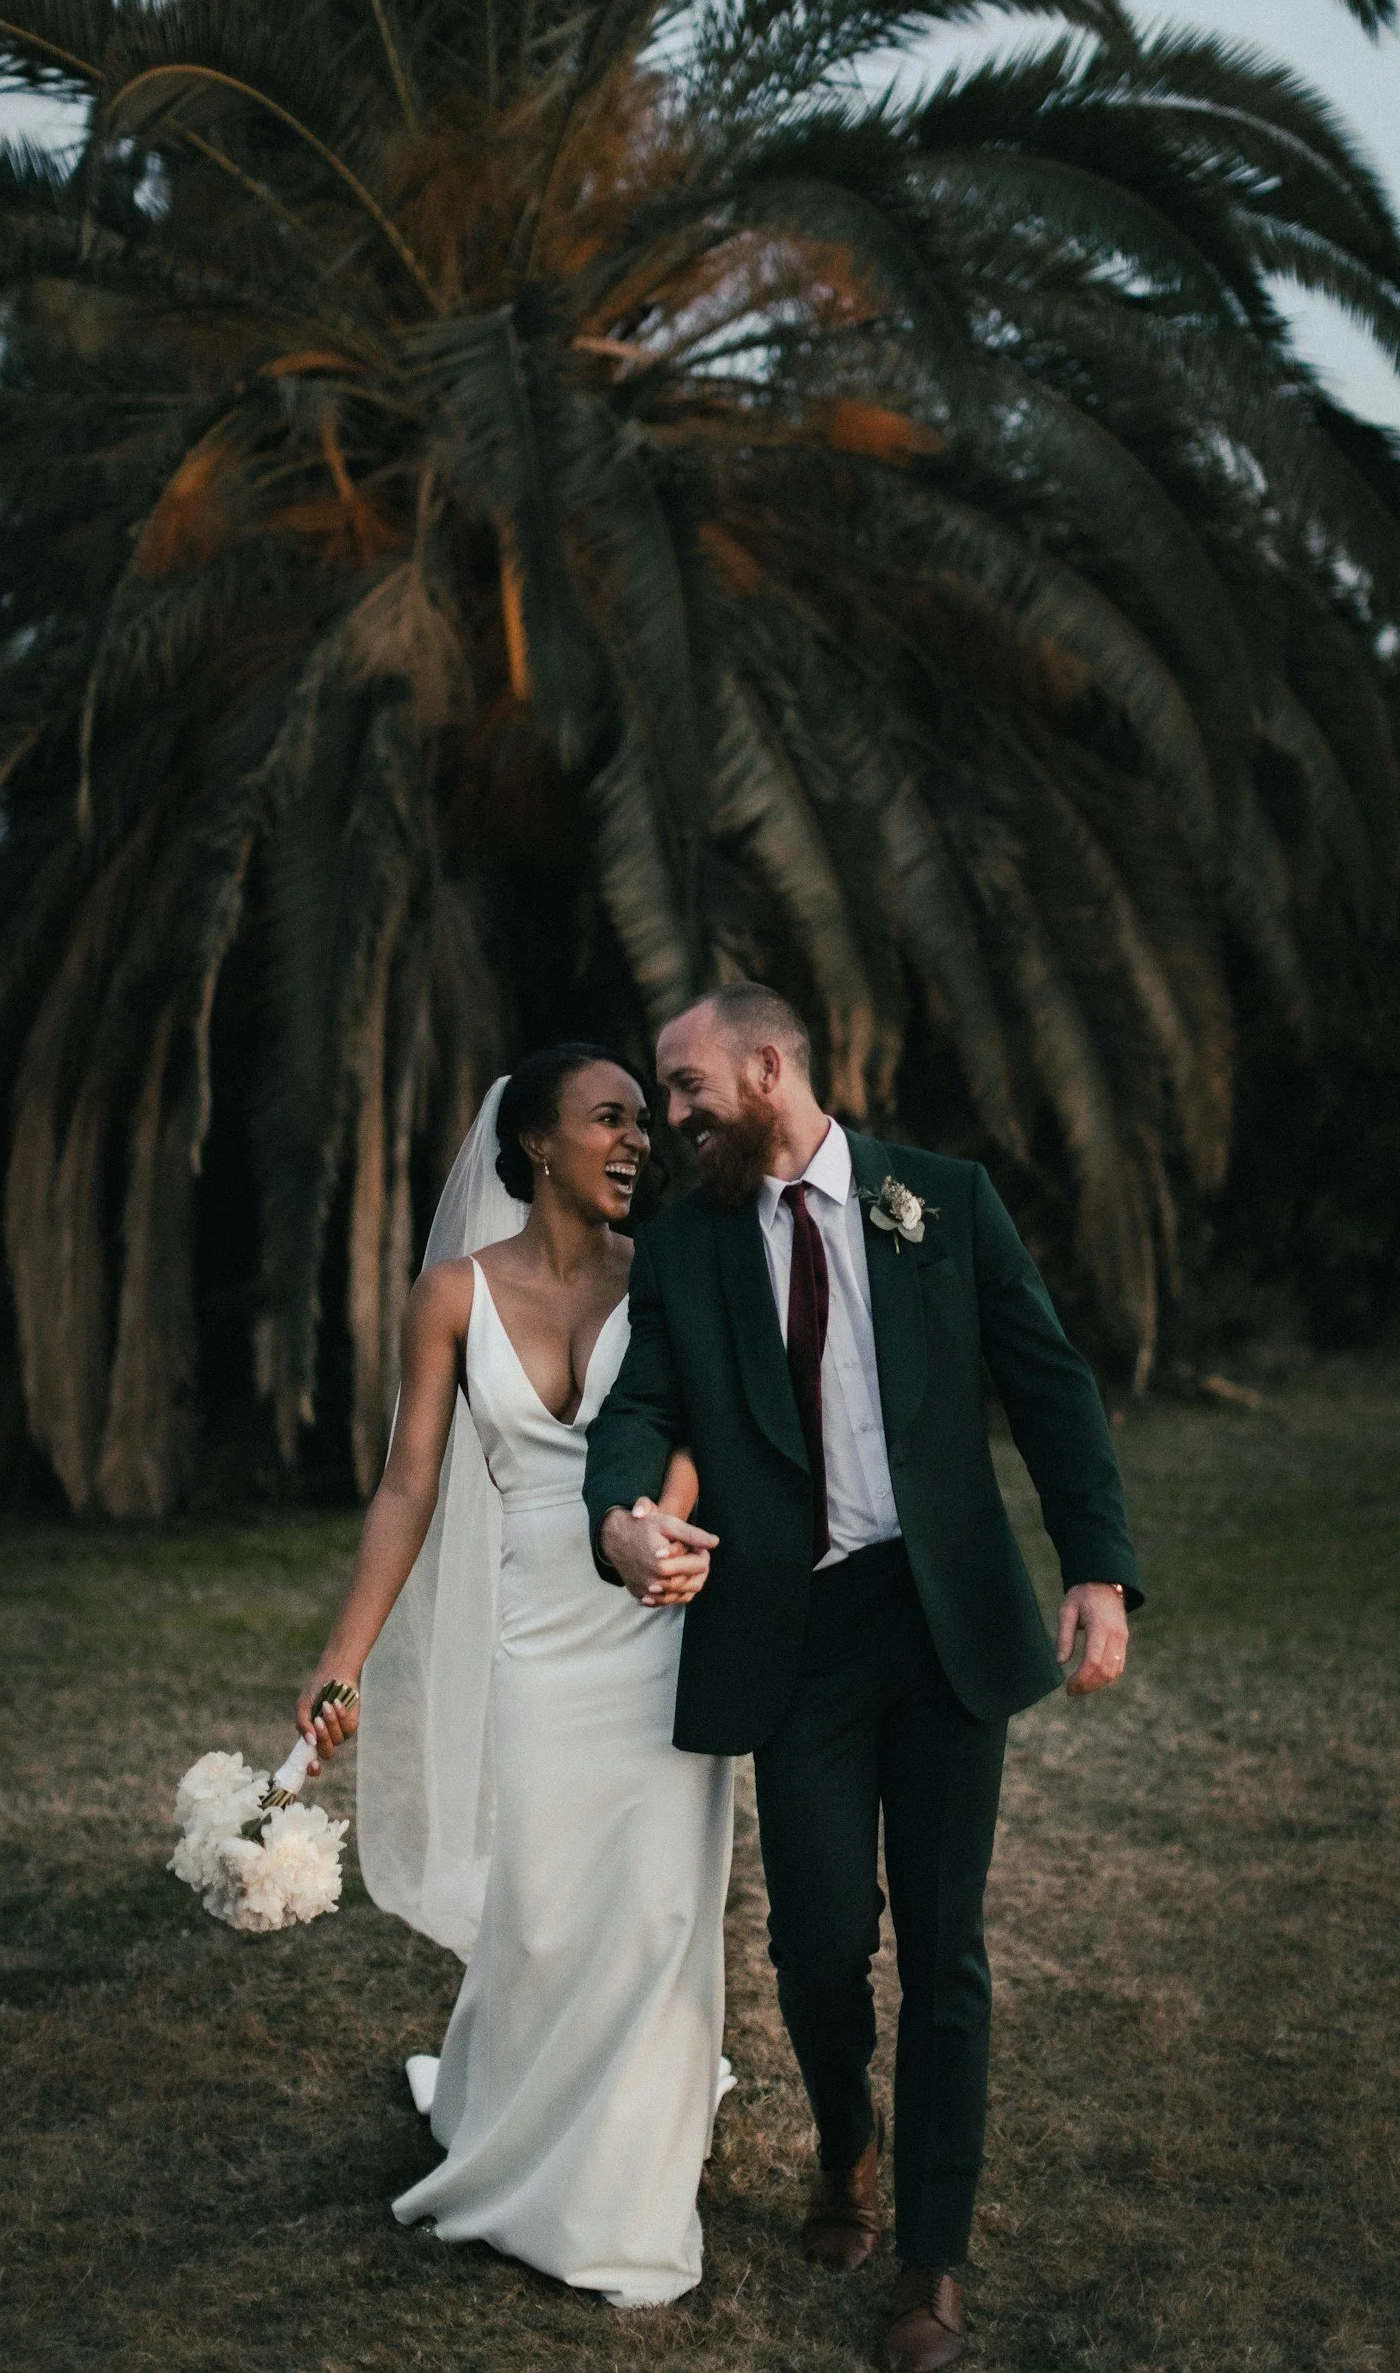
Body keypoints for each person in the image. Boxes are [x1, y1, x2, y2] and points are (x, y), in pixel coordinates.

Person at [584, 984, 1142, 2373]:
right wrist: (620, 1514)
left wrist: (1096, 1565)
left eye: (686, 1082)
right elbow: (640, 1404)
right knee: (819, 1941)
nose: (670, 1113)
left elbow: (1047, 1380)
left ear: (769, 1065)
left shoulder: (941, 1200)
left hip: (942, 1617)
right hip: (796, 1634)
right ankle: (844, 2139)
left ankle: (931, 2266)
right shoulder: (687, 1246)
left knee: (944, 1951)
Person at [295, 1045, 733, 2309]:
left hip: (656, 1609)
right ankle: (515, 2123)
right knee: (541, 1911)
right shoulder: (450, 1294)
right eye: (611, 1118)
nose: (639, 1139)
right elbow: (408, 1484)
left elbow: (696, 1426)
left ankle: (624, 2198)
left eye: (645, 1121)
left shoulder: (666, 1274)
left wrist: (669, 1535)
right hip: (538, 1638)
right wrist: (342, 1663)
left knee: (656, 1909)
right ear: (538, 1142)